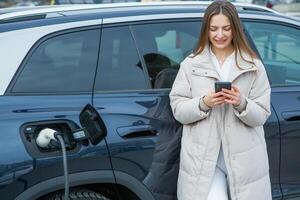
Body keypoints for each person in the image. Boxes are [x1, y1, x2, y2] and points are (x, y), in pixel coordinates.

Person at [169, 1, 272, 200]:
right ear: (206, 30)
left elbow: (261, 115)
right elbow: (179, 109)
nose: (220, 35)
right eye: (213, 29)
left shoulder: (253, 66)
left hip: (246, 163)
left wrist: (241, 102)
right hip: (204, 163)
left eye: (226, 28)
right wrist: (204, 103)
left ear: (235, 28)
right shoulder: (190, 64)